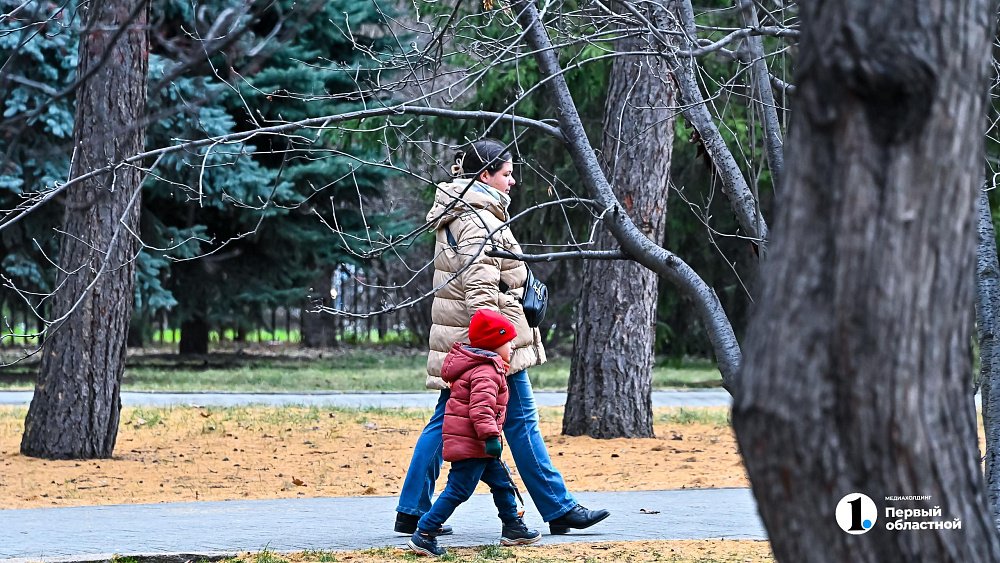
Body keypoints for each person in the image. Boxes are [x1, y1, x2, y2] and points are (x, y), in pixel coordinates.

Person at [395, 138, 610, 536]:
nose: (513, 181)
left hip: (468, 342)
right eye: (507, 174)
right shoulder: (477, 220)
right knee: (522, 423)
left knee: (446, 422)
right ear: (485, 175)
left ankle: (412, 509)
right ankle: (558, 507)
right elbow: (479, 292)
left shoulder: (466, 213)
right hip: (489, 344)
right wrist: (494, 349)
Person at [407, 309, 542, 557]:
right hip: (474, 444)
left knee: (502, 482)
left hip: (477, 443)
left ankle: (513, 527)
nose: (512, 347)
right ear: (493, 344)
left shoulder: (485, 367)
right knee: (459, 490)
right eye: (507, 342)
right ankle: (424, 533)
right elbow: (481, 410)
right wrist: (491, 437)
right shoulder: (485, 372)